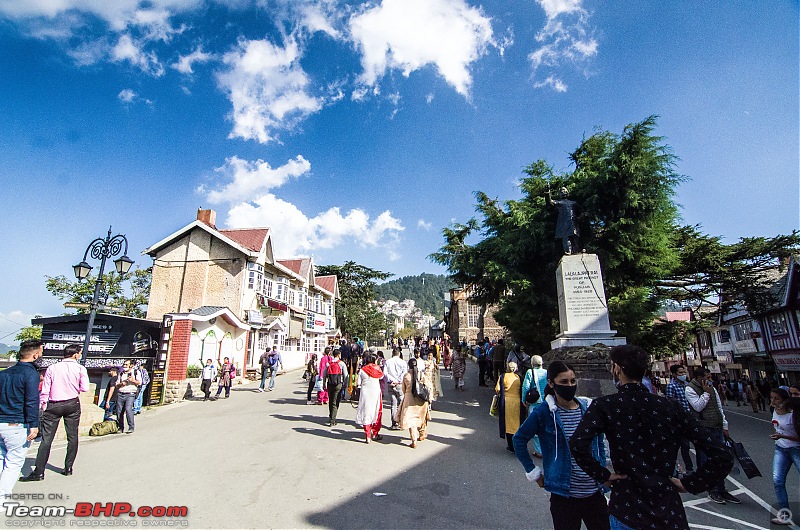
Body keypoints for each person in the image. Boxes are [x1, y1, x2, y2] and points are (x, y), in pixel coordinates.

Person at [569, 345, 733, 530]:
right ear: (644, 370)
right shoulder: (670, 407)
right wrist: (690, 484)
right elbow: (722, 454)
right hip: (667, 508)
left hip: (627, 506)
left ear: (617, 369)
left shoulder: (606, 406)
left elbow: (576, 444)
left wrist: (604, 475)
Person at [513, 360, 609, 530]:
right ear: (551, 383)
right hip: (563, 495)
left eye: (573, 381)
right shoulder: (544, 413)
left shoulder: (587, 409)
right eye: (563, 382)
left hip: (594, 492)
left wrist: (603, 473)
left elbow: (598, 441)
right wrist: (533, 472)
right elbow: (519, 439)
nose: (570, 385)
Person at [22, 343, 90, 481]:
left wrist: (43, 405)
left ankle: (39, 471)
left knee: (47, 439)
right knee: (72, 436)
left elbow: (45, 389)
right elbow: (85, 388)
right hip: (72, 403)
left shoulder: (52, 368)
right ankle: (68, 467)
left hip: (53, 404)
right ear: (76, 354)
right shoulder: (80, 369)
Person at [685, 367, 739, 505]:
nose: (709, 380)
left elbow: (719, 408)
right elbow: (697, 407)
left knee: (721, 459)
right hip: (703, 429)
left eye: (710, 377)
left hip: (717, 427)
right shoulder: (690, 389)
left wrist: (724, 425)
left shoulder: (712, 388)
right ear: (698, 377)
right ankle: (711, 489)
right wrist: (706, 394)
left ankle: (721, 489)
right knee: (706, 461)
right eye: (707, 377)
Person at [0, 340, 41, 497]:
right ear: (35, 355)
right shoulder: (31, 374)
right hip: (17, 423)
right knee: (14, 462)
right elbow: (31, 401)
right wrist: (34, 424)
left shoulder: (4, 372)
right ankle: (2, 498)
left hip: (2, 420)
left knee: (2, 458)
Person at [769, 388, 800, 526]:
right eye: (771, 398)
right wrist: (779, 437)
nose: (773, 401)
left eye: (777, 399)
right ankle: (785, 515)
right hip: (781, 448)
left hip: (796, 448)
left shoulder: (794, 414)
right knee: (778, 480)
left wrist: (783, 436)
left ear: (785, 400)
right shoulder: (774, 411)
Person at [664, 364, 694, 474]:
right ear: (674, 374)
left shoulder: (687, 385)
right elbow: (670, 405)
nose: (683, 375)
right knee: (683, 446)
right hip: (679, 422)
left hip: (690, 419)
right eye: (680, 373)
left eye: (684, 372)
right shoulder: (672, 387)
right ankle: (686, 469)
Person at [397, 358, 430, 448]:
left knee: (411, 421)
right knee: (421, 417)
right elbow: (427, 386)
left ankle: (414, 441)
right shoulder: (420, 374)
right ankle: (422, 433)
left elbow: (403, 389)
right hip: (421, 399)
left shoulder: (406, 376)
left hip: (409, 399)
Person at [521, 354, 548, 458]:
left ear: (532, 363)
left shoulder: (530, 372)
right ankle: (546, 449)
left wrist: (524, 400)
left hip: (534, 402)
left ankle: (539, 451)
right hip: (546, 402)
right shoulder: (546, 372)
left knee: (536, 426)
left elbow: (526, 387)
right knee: (545, 426)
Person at [496, 361, 524, 452]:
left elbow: (498, 390)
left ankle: (511, 446)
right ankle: (518, 445)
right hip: (517, 402)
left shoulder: (503, 376)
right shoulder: (519, 377)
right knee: (517, 423)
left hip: (506, 402)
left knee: (508, 425)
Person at [356, 354, 384, 443]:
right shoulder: (377, 368)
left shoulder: (362, 370)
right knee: (376, 412)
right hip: (375, 392)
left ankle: (368, 436)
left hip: (365, 392)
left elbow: (358, 383)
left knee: (366, 412)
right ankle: (375, 434)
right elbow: (382, 376)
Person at [322, 350, 348, 427]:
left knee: (331, 400)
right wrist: (345, 384)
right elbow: (346, 375)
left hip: (330, 384)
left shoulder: (328, 363)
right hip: (338, 384)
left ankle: (331, 416)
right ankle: (333, 420)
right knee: (335, 401)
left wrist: (324, 383)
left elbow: (324, 374)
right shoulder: (341, 363)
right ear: (339, 355)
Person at [115, 359, 141, 434]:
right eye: (124, 364)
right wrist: (122, 384)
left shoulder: (136, 372)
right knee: (119, 411)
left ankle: (131, 427)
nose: (124, 366)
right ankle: (120, 427)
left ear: (131, 365)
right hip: (121, 393)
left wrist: (133, 380)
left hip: (130, 394)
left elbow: (139, 383)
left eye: (126, 364)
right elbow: (117, 385)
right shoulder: (121, 373)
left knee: (128, 409)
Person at [384, 348, 407, 430]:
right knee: (402, 403)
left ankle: (394, 423)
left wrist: (391, 380)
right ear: (399, 354)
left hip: (391, 384)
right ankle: (402, 421)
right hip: (399, 384)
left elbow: (385, 373)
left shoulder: (388, 362)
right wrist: (398, 380)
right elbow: (404, 373)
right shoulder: (403, 362)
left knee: (393, 404)